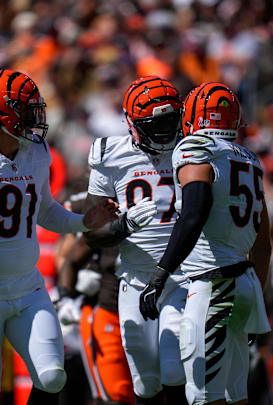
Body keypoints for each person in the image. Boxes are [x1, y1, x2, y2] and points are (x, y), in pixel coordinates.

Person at [0, 69, 118, 405]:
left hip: (27, 288)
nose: (35, 117)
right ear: (2, 114)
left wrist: (84, 221)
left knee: (52, 376)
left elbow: (45, 211)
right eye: (27, 110)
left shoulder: (36, 152)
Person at [139, 82, 272, 405]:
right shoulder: (249, 159)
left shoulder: (195, 148)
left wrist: (160, 274)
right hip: (246, 283)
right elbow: (264, 241)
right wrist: (258, 298)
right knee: (236, 396)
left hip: (214, 286)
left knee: (203, 397)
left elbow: (194, 214)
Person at [84, 75, 188, 405]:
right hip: (135, 278)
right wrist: (122, 227)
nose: (163, 131)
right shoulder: (109, 155)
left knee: (175, 369)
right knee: (144, 383)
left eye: (170, 121)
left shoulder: (192, 149)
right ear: (131, 122)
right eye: (153, 124)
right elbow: (91, 233)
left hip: (183, 276)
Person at [56, 192, 134, 404]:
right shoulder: (109, 217)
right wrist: (65, 298)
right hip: (110, 312)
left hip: (156, 313)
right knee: (116, 394)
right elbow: (70, 260)